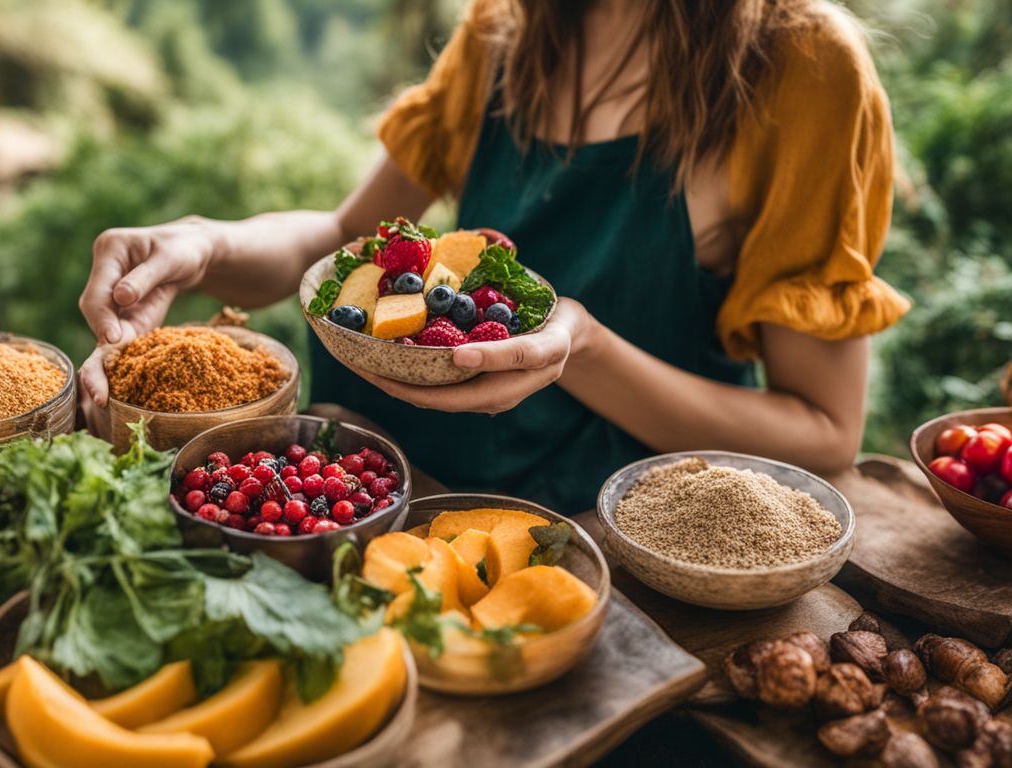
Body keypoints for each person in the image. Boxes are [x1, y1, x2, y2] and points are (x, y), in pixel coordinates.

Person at [77, 0, 910, 514]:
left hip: (597, 541)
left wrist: (579, 347)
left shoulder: (803, 65)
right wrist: (207, 242)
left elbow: (825, 432)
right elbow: (343, 244)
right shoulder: (504, 28)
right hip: (379, 493)